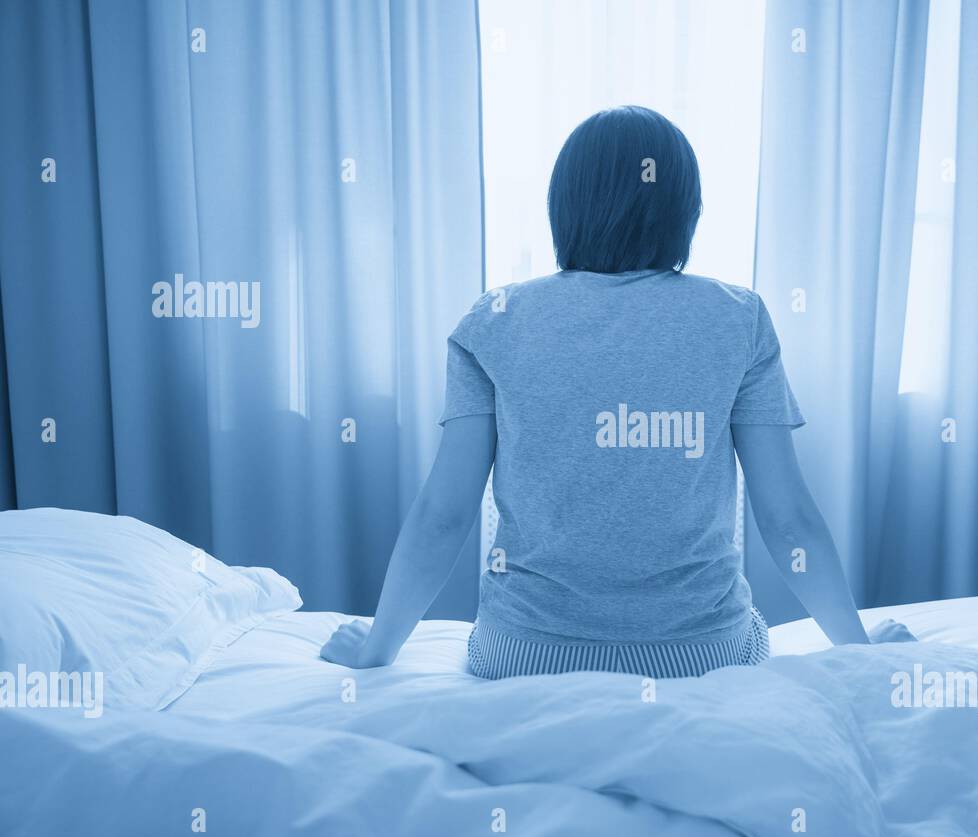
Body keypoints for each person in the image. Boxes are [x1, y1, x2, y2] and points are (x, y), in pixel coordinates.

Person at [321, 105, 914, 678]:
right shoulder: (738, 318)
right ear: (687, 209)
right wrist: (858, 648)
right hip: (705, 656)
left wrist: (375, 653)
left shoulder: (495, 319)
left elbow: (443, 518)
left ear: (563, 207)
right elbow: (787, 521)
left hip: (520, 656)